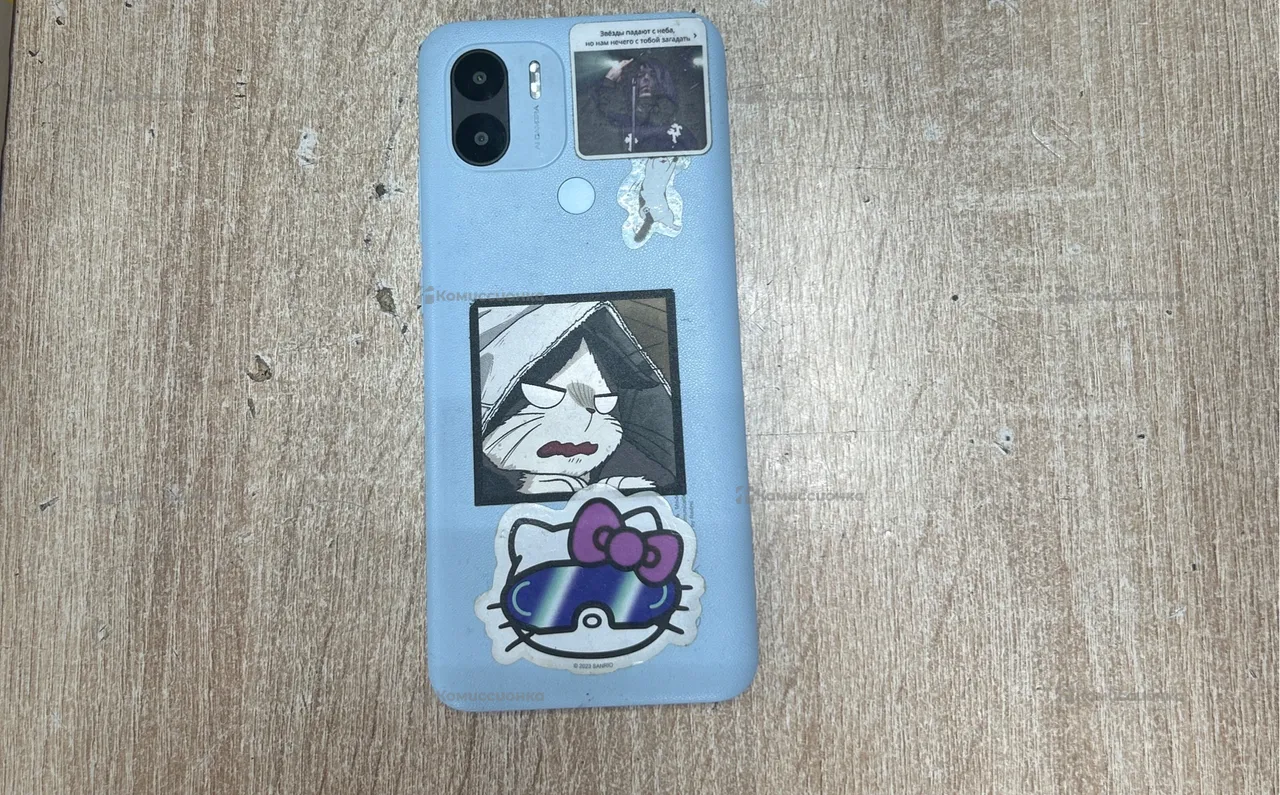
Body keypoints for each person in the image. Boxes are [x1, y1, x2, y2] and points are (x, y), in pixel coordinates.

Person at [590, 55, 701, 155]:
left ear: (660, 82)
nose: (646, 79)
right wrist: (609, 80)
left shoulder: (678, 131)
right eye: (640, 75)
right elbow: (602, 110)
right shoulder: (624, 124)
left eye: (652, 74)